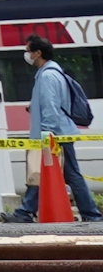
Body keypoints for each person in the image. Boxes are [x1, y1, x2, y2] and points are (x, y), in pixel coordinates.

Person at [27, 47, 97, 222]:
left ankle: (92, 214)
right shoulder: (52, 73)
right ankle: (25, 211)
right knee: (48, 172)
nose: (26, 54)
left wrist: (47, 132)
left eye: (28, 50)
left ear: (38, 53)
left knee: (63, 174)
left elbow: (50, 105)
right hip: (57, 133)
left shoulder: (47, 76)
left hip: (54, 135)